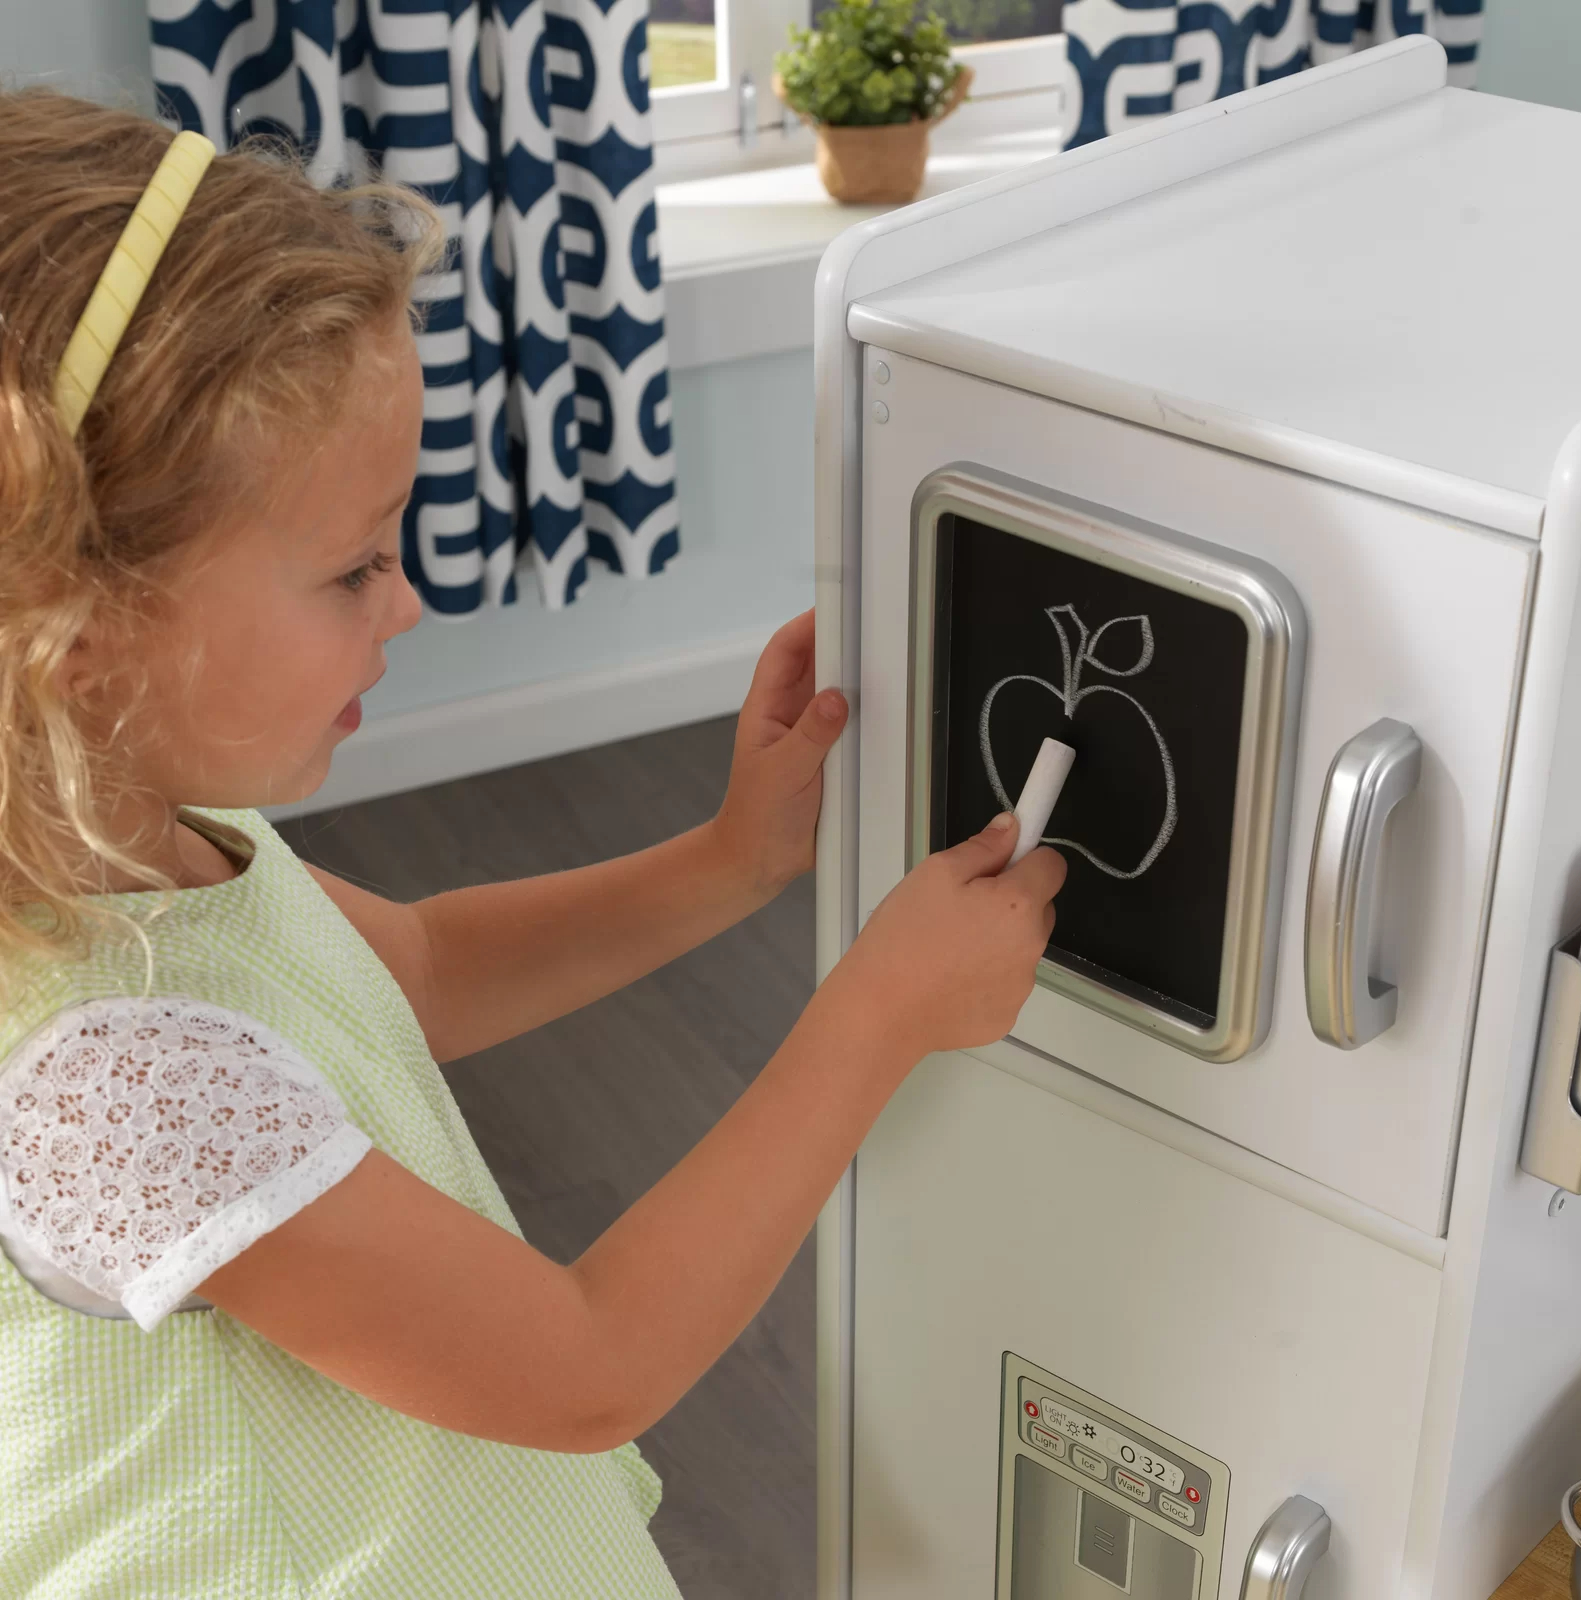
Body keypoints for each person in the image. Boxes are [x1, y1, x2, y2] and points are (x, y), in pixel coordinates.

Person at [0, 89, 1067, 1597]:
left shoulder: (152, 838)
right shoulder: (106, 1083)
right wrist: (876, 1017)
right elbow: (587, 1365)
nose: (405, 602)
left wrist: (728, 858)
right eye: (354, 567)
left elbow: (412, 973)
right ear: (85, 638)